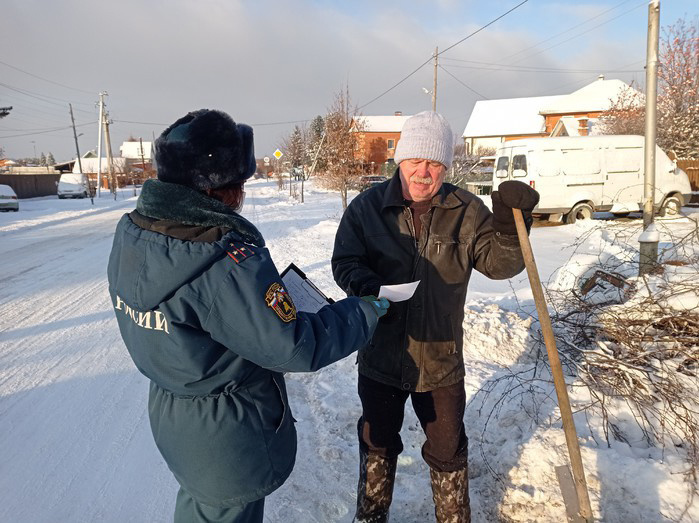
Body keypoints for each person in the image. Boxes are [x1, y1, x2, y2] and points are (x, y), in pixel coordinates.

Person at [107, 109, 389, 523]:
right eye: (239, 183)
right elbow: (294, 347)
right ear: (219, 187)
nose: (242, 195)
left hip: (177, 420)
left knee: (201, 507)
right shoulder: (222, 260)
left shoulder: (137, 233)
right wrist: (363, 312)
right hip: (227, 436)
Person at [331, 111, 539, 523]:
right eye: (415, 161)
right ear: (400, 160)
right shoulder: (368, 208)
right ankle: (370, 516)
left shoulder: (466, 209)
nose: (424, 172)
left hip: (441, 360)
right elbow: (345, 261)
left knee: (448, 451)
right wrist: (366, 284)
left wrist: (510, 228)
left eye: (435, 163)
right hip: (381, 355)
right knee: (378, 443)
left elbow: (499, 264)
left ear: (445, 165)